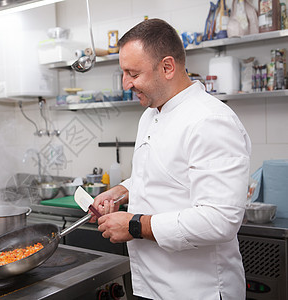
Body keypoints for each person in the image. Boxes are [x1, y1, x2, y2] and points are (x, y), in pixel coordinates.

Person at [93, 19, 251, 300]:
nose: (126, 83)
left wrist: (133, 225)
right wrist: (124, 189)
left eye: (133, 73)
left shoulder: (210, 120)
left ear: (167, 67)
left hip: (196, 291)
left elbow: (220, 220)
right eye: (123, 73)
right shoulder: (151, 114)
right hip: (152, 285)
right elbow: (167, 173)